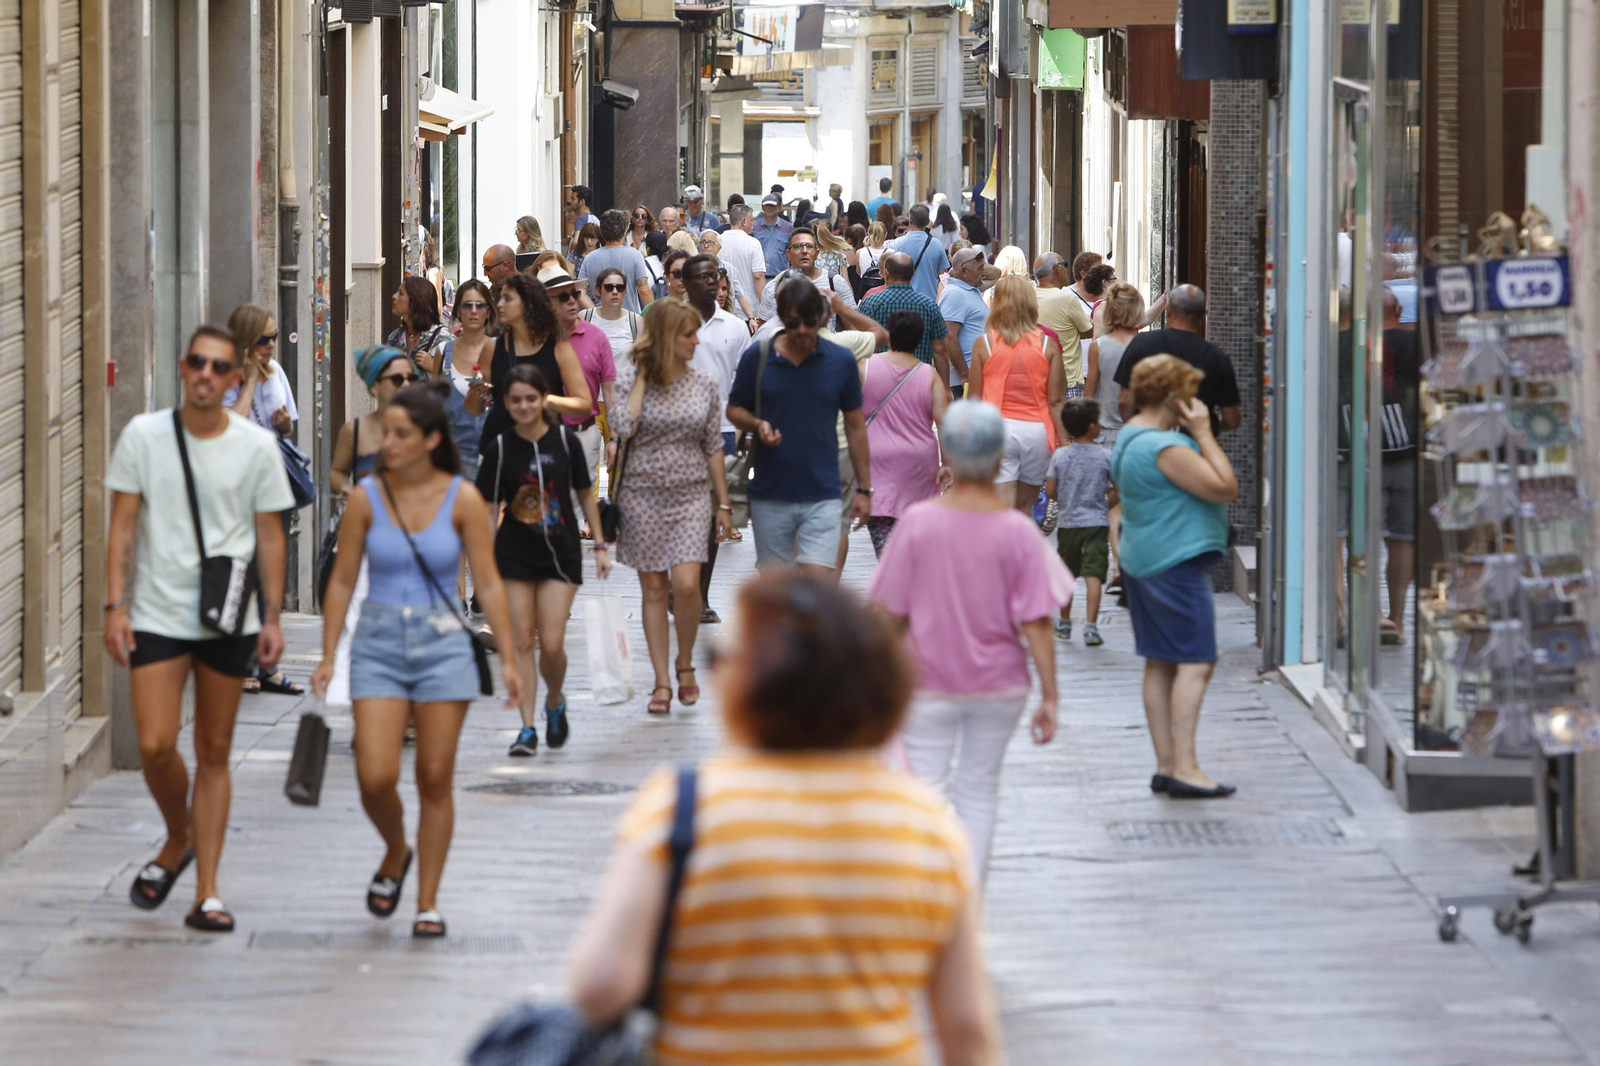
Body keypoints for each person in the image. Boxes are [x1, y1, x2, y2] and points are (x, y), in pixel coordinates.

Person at [568, 570, 1002, 1065]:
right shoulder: (926, 824)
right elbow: (968, 1030)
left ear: (749, 679)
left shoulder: (682, 807)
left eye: (716, 658)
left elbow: (600, 986)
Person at [313, 382, 522, 939]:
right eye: (387, 432)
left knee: (434, 775)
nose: (388, 443)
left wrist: (510, 660)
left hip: (443, 644)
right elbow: (342, 580)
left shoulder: (463, 498)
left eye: (401, 434)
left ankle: (427, 902)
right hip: (378, 641)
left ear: (431, 440)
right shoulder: (367, 497)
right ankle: (395, 848)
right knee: (375, 774)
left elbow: (489, 584)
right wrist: (329, 653)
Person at [105, 324, 294, 934]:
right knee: (157, 745)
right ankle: (179, 833)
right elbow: (122, 526)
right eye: (197, 363)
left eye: (219, 367)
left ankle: (207, 892)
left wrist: (271, 617)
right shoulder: (144, 436)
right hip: (158, 612)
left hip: (228, 614)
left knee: (213, 750)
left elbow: (270, 536)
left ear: (235, 378)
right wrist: (114, 606)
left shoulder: (255, 447)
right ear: (183, 369)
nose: (206, 375)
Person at [870, 400, 1069, 883]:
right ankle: (967, 896)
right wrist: (1050, 696)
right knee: (979, 791)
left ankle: (926, 894)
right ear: (1000, 458)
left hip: (926, 682)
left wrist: (873, 683)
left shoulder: (917, 524)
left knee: (925, 789)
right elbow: (1037, 623)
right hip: (999, 685)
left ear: (949, 459)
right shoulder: (1019, 532)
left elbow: (889, 614)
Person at [1113, 355, 1238, 799]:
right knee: (1197, 662)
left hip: (1145, 558)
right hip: (1174, 562)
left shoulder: (1132, 435)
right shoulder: (1163, 447)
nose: (1196, 401)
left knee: (1160, 661)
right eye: (1190, 392)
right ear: (1174, 396)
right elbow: (1225, 486)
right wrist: (1203, 433)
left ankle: (1167, 765)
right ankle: (1185, 767)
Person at [606, 299, 734, 715]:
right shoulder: (631, 379)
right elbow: (622, 426)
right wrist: (645, 374)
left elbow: (713, 445)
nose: (697, 341)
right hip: (641, 495)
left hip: (691, 495)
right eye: (688, 334)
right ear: (665, 338)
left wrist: (724, 503)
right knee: (655, 589)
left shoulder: (703, 383)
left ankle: (685, 661)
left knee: (686, 585)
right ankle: (662, 679)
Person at [476, 366, 610, 757]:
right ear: (506, 402)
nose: (524, 407)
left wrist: (600, 545)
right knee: (522, 640)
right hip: (514, 553)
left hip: (560, 553)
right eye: (516, 400)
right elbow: (488, 507)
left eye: (531, 399)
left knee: (551, 644)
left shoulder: (565, 442)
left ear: (544, 399)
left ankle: (554, 699)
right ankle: (527, 727)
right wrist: (483, 557)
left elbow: (584, 494)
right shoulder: (500, 449)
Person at [727, 280, 870, 575]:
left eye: (809, 321)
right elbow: (734, 409)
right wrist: (756, 423)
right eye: (793, 322)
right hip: (770, 494)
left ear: (822, 318)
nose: (802, 329)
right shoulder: (759, 357)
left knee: (818, 583)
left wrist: (865, 489)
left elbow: (856, 427)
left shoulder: (841, 361)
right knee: (778, 587)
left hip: (824, 493)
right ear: (781, 317)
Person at [671, 254, 753, 622]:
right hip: (676, 432)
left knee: (712, 516)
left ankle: (700, 596)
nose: (709, 283)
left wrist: (743, 427)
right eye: (701, 277)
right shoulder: (671, 323)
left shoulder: (735, 327)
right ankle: (679, 585)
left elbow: (742, 382)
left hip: (721, 430)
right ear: (684, 283)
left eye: (714, 276)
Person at [967, 275, 1066, 512]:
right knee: (1025, 508)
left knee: (1001, 508)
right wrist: (1064, 442)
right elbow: (1056, 400)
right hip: (1037, 432)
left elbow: (974, 400)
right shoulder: (1047, 344)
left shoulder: (984, 344)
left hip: (997, 430)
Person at [859, 310, 947, 557]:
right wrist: (948, 464)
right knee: (916, 531)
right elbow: (944, 424)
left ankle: (891, 566)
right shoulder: (929, 375)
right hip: (919, 462)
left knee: (883, 533)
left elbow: (849, 415)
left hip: (875, 459)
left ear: (889, 335)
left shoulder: (864, 367)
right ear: (920, 339)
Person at [480, 273, 592, 447]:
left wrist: (543, 400)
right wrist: (475, 393)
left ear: (528, 304)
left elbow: (584, 405)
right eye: (500, 298)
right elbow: (474, 408)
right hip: (501, 446)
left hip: (546, 446)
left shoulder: (558, 347)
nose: (500, 304)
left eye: (508, 299)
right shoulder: (492, 348)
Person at [1113, 284, 1242, 436]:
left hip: (1148, 439)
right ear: (1203, 314)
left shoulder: (1141, 342)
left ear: (1168, 310)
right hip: (1194, 443)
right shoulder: (1217, 358)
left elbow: (1124, 401)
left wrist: (1138, 432)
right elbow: (1231, 419)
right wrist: (1206, 430)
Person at [541, 263, 617, 500]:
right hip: (543, 437)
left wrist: (614, 438)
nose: (573, 301)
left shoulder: (596, 336)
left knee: (580, 504)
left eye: (574, 294)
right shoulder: (536, 338)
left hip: (584, 433)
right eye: (563, 297)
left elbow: (610, 391)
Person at [1046, 398, 1115, 646]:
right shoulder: (1105, 455)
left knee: (1067, 573)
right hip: (1096, 523)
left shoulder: (1060, 455)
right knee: (1093, 573)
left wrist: (1064, 500)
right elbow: (1119, 487)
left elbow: (1050, 490)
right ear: (1091, 426)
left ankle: (1064, 623)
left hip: (1068, 523)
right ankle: (1091, 627)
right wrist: (1106, 504)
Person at [429, 279, 494, 480]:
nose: (474, 311)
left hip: (491, 456)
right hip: (453, 461)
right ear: (457, 311)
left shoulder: (500, 350)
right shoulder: (443, 351)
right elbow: (434, 408)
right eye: (467, 305)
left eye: (480, 305)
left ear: (488, 311)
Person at [860, 249, 956, 378]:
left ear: (886, 273)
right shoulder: (929, 305)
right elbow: (939, 351)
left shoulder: (870, 303)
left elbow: (862, 344)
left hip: (879, 378)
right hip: (919, 378)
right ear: (912, 274)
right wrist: (944, 385)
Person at [752, 229, 856, 330]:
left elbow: (853, 327)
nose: (804, 251)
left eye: (809, 246)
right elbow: (764, 331)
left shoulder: (836, 283)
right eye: (797, 246)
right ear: (788, 254)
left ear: (817, 253)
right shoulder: (774, 288)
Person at [1033, 251, 1095, 399]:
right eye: (1065, 265)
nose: (1067, 269)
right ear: (1057, 268)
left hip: (1039, 379)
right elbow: (1089, 331)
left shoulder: (1028, 296)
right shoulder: (1067, 298)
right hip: (1068, 380)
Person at [576, 208, 654, 313]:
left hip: (601, 318)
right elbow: (644, 290)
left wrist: (595, 312)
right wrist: (652, 316)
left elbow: (580, 292)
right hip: (630, 318)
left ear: (601, 231)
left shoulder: (589, 259)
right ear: (625, 231)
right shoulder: (635, 255)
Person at [938, 246, 989, 395]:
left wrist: (976, 259)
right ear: (965, 272)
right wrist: (965, 375)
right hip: (966, 380)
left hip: (974, 375)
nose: (984, 272)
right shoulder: (955, 294)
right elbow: (948, 337)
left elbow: (996, 273)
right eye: (980, 269)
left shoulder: (969, 287)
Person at [580, 266, 644, 366]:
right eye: (609, 287)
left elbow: (641, 363)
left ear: (625, 292)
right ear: (598, 291)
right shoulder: (584, 317)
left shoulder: (637, 321)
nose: (615, 292)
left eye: (620, 288)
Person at [886, 205, 949, 303]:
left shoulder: (896, 244)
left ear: (910, 221)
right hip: (930, 300)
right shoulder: (938, 245)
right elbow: (943, 276)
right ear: (927, 222)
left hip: (902, 299)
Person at [386, 276, 449, 370]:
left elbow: (457, 376)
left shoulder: (442, 338)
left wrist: (433, 367)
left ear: (416, 301)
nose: (394, 296)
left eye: (401, 293)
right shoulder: (395, 337)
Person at [716, 203, 767, 313]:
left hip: (723, 306)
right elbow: (758, 276)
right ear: (744, 221)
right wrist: (763, 304)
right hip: (749, 308)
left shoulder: (717, 242)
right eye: (751, 220)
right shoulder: (753, 243)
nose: (753, 224)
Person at [695, 229, 754, 319]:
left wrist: (751, 318)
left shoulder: (729, 269)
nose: (706, 246)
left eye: (710, 243)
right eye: (703, 242)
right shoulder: (693, 267)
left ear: (719, 248)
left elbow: (740, 296)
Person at [752, 193, 795, 279]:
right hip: (759, 277)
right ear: (762, 207)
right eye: (767, 205)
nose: (769, 208)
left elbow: (792, 252)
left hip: (780, 277)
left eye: (773, 205)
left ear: (778, 207)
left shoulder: (788, 228)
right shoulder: (754, 227)